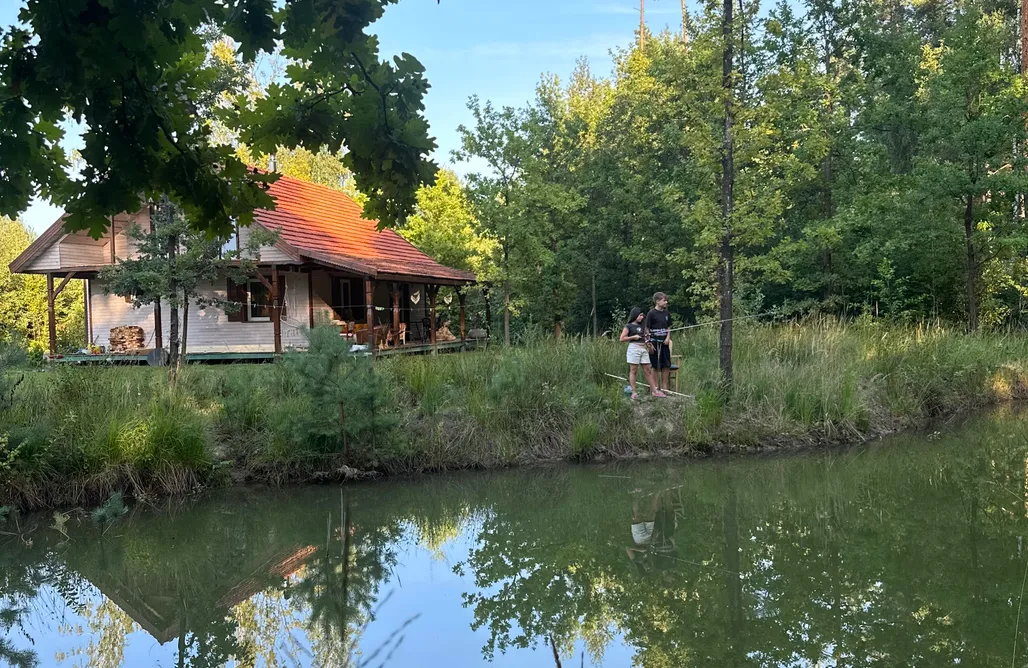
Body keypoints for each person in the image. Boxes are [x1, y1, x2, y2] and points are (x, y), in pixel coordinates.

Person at [620, 307, 663, 399]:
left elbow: (646, 338)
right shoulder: (629, 326)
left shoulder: (643, 326)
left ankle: (654, 391)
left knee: (648, 370)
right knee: (633, 371)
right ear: (635, 315)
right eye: (640, 315)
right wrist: (633, 337)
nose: (642, 317)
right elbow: (622, 338)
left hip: (643, 349)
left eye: (642, 315)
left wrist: (649, 344)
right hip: (634, 349)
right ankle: (634, 392)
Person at [644, 292, 673, 394]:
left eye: (666, 300)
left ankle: (665, 387)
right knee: (655, 365)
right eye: (664, 300)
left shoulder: (667, 313)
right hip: (654, 342)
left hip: (664, 343)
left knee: (666, 364)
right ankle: (655, 387)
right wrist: (649, 344)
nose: (666, 302)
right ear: (657, 301)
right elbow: (647, 329)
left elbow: (668, 327)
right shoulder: (651, 313)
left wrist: (667, 338)